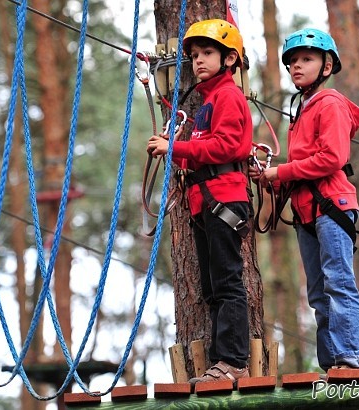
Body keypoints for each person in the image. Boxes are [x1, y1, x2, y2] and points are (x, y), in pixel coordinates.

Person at [253, 28, 359, 372]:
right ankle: (332, 363)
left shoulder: (328, 103)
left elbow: (331, 158)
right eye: (292, 62)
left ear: (326, 65)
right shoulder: (301, 110)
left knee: (338, 283)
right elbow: (301, 168)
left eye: (306, 59)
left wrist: (281, 173)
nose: (296, 66)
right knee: (318, 296)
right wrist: (271, 180)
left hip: (332, 206)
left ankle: (349, 359)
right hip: (306, 213)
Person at [147, 19, 253, 385]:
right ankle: (221, 361)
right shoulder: (207, 104)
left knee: (226, 282)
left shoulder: (228, 96)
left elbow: (227, 147)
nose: (198, 61)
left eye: (207, 53)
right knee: (212, 288)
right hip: (206, 199)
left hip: (223, 196)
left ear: (229, 59)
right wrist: (174, 151)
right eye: (194, 55)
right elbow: (201, 153)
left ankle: (234, 362)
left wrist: (175, 147)